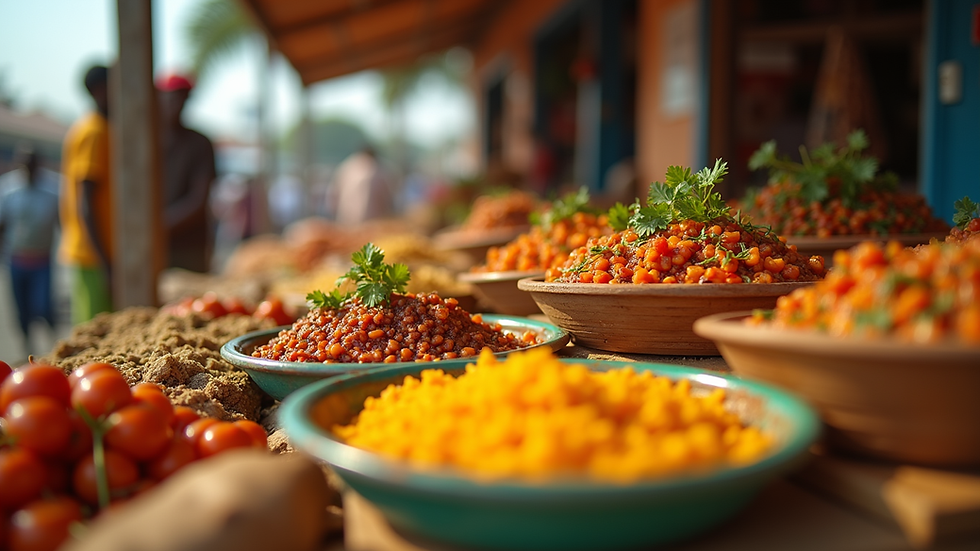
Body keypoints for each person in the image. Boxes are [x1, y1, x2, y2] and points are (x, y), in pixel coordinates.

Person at [58, 64, 113, 325]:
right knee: (94, 333)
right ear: (100, 90)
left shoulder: (99, 128)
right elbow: (86, 201)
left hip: (95, 251)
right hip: (93, 253)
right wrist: (105, 262)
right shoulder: (94, 132)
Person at [0, 147, 59, 354]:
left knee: (42, 307)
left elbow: (61, 222)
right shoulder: (8, 189)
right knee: (22, 311)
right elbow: (3, 225)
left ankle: (56, 345)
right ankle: (29, 348)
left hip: (42, 260)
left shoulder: (52, 189)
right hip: (16, 260)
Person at [157, 72, 217, 273]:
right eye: (172, 97)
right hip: (154, 247)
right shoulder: (147, 144)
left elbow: (199, 200)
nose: (177, 104)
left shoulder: (199, 143)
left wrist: (158, 227)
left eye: (182, 98)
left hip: (189, 247)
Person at [331, 145, 395, 225]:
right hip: (372, 221)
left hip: (346, 219)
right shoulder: (378, 170)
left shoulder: (346, 167)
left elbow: (334, 196)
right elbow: (387, 198)